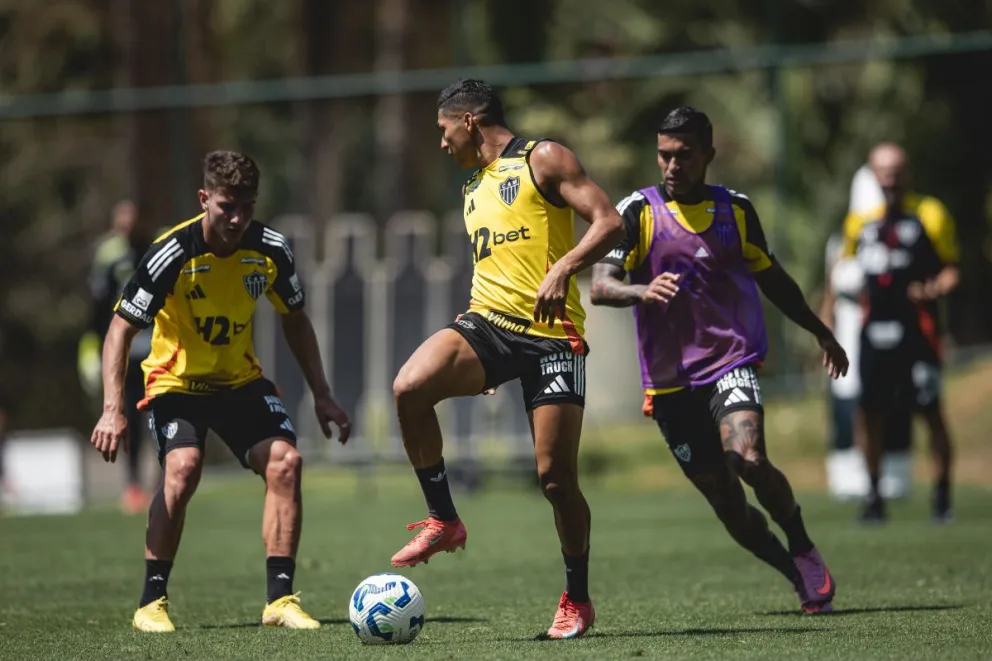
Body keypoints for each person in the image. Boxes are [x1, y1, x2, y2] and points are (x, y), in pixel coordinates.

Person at [390, 79, 624, 639]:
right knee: (409, 387)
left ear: (468, 121)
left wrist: (564, 267)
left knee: (556, 480)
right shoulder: (472, 188)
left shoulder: (543, 157)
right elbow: (495, 273)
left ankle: (578, 598)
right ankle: (443, 517)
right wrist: (478, 358)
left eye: (444, 130)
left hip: (551, 337)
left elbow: (610, 222)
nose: (442, 143)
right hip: (489, 325)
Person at [590, 107, 847, 614]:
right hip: (670, 385)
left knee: (747, 457)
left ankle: (801, 541)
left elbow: (771, 277)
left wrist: (821, 332)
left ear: (708, 154)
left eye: (684, 155)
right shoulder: (638, 213)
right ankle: (794, 572)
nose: (672, 165)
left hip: (732, 360)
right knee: (727, 502)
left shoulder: (736, 211)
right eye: (664, 155)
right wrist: (640, 290)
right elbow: (601, 285)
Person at [89, 150, 351, 632]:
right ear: (204, 198)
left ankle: (280, 600)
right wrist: (111, 410)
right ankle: (152, 603)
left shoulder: (271, 248)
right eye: (226, 205)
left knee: (286, 462)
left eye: (246, 206)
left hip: (239, 382)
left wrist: (323, 393)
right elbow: (119, 329)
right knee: (184, 469)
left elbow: (295, 320)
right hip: (177, 384)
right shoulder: (172, 252)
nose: (236, 218)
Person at [838, 143, 960, 523]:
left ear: (908, 173)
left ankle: (941, 499)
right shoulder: (860, 223)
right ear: (873, 175)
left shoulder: (931, 214)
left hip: (918, 332)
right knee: (868, 412)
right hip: (873, 332)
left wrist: (934, 289)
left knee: (930, 410)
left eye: (896, 170)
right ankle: (873, 496)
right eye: (882, 170)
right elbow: (846, 269)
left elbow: (952, 268)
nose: (889, 177)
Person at [79, 199, 154, 514]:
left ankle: (166, 480)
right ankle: (133, 484)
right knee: (128, 419)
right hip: (122, 350)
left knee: (161, 415)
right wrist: (96, 349)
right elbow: (97, 307)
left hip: (154, 349)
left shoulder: (153, 250)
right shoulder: (107, 254)